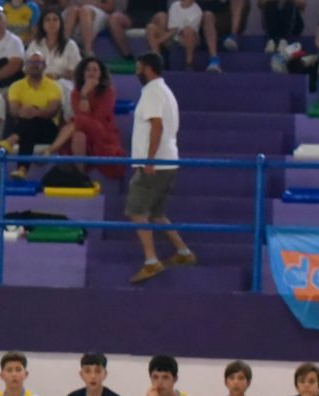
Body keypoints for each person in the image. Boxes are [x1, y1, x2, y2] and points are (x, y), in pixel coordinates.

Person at [127, 52, 196, 283]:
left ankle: (151, 261)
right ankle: (183, 251)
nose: (136, 72)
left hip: (156, 163)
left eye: (138, 67)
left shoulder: (152, 92)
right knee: (156, 213)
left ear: (147, 69)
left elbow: (157, 125)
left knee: (137, 211)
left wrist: (149, 160)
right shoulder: (164, 91)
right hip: (167, 160)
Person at [47, 56, 124, 178]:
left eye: (95, 70)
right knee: (79, 136)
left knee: (76, 121)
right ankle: (80, 175)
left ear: (100, 74)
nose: (91, 72)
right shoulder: (77, 92)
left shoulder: (108, 91)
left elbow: (99, 116)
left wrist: (85, 97)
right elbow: (81, 115)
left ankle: (50, 149)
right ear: (82, 73)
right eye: (88, 69)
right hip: (83, 129)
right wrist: (84, 94)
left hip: (103, 131)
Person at [6, 51, 63, 157]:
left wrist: (35, 112)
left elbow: (52, 112)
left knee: (32, 121)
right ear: (26, 66)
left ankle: (12, 140)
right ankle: (22, 168)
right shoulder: (16, 86)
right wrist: (26, 112)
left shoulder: (54, 86)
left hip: (47, 130)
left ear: (45, 66)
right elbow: (14, 111)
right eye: (31, 62)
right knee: (29, 127)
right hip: (25, 129)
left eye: (38, 62)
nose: (34, 65)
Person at [148, 0, 222, 72]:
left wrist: (160, 40)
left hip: (187, 38)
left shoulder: (197, 11)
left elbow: (179, 30)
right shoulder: (174, 6)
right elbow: (173, 28)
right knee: (151, 28)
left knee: (188, 31)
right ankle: (156, 61)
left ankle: (189, 63)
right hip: (172, 36)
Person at [28, 9, 83, 85]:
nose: (52, 23)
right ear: (42, 24)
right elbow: (27, 69)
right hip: (38, 83)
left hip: (63, 84)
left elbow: (77, 71)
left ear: (60, 23)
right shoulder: (35, 44)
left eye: (55, 19)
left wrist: (57, 76)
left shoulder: (70, 45)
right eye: (48, 20)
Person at [68, 0, 133, 60]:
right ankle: (63, 48)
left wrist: (92, 4)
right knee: (73, 11)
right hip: (74, 10)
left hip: (97, 10)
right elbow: (66, 5)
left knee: (85, 10)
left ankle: (88, 52)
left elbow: (110, 7)